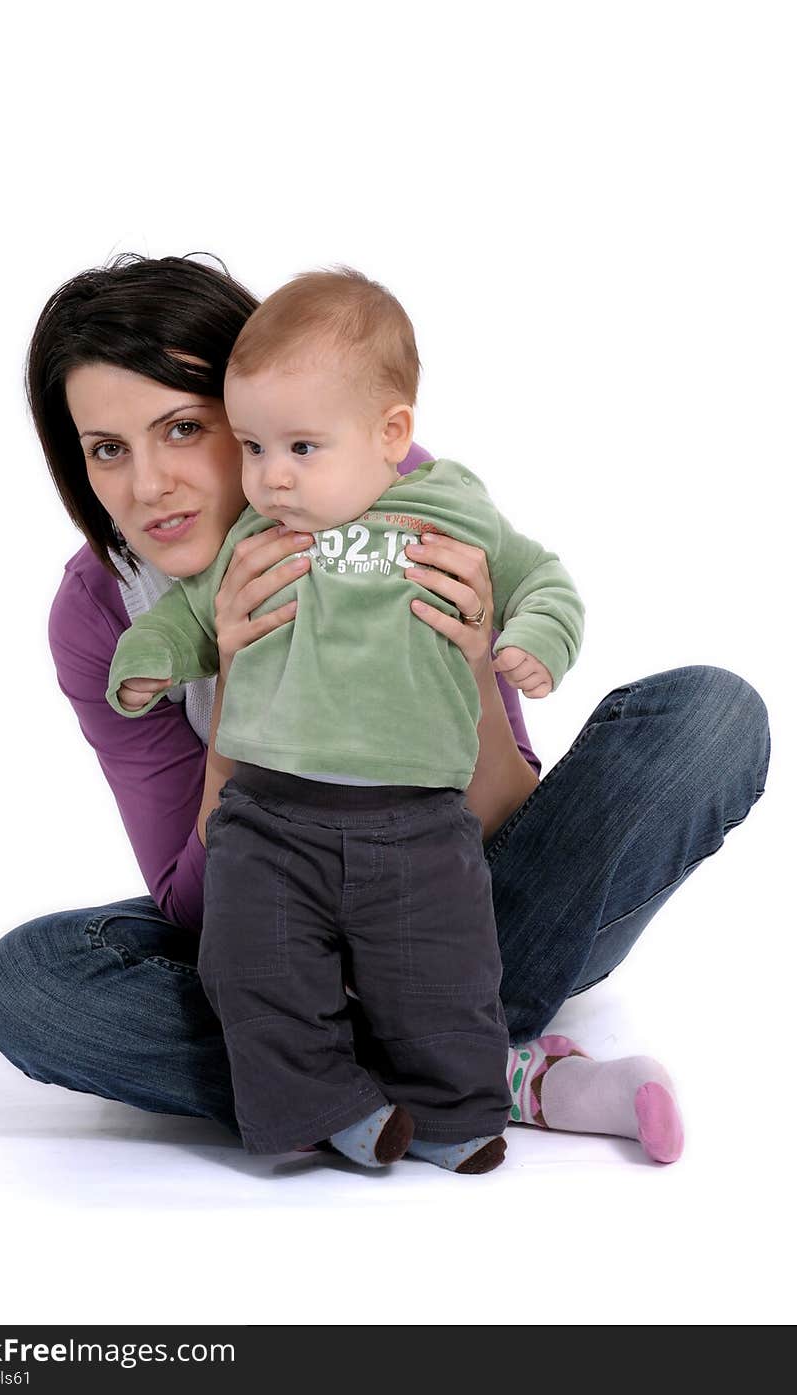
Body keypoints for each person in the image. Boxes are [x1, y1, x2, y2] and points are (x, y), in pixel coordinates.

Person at [0, 254, 770, 1172]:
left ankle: (327, 1082)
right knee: (32, 981)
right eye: (107, 447)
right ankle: (481, 1075)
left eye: (184, 428)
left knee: (709, 717)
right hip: (271, 926)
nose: (147, 485)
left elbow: (502, 828)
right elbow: (189, 904)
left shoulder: (401, 498)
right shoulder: (99, 612)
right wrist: (240, 676)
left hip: (444, 901)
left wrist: (469, 663)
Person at [105, 267, 586, 1174]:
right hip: (270, 821)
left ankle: (454, 1112)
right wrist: (149, 662)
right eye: (251, 446)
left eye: (300, 448)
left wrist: (530, 644)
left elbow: (544, 577)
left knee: (441, 976)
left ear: (389, 433)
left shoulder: (449, 512)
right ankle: (331, 1104)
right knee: (252, 970)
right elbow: (185, 616)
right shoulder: (255, 535)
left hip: (416, 821)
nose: (270, 476)